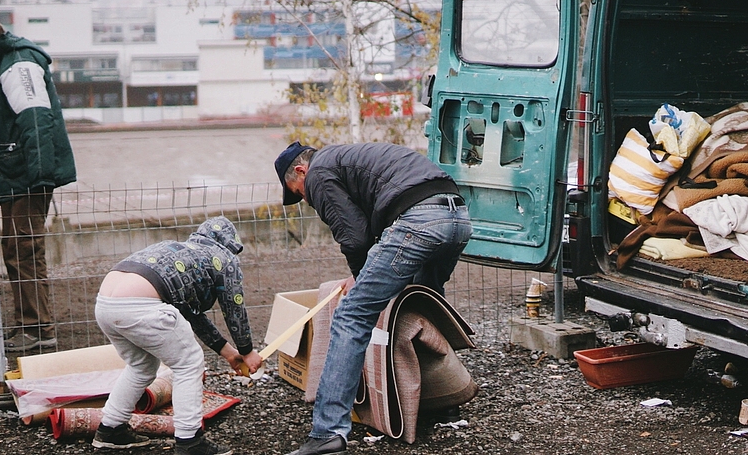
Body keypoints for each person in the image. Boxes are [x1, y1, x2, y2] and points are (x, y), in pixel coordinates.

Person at [275, 141, 471, 455]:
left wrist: (360, 277)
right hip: (457, 217)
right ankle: (442, 402)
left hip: (419, 220)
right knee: (421, 306)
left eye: (298, 191)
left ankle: (327, 431)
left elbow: (355, 237)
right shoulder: (348, 158)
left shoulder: (318, 172)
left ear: (301, 171)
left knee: (351, 315)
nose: (304, 197)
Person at [92, 216, 262, 455]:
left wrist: (229, 353)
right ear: (230, 243)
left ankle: (110, 429)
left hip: (106, 304)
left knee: (141, 366)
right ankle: (190, 441)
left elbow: (192, 315)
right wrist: (247, 351)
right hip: (141, 304)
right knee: (189, 364)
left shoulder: (183, 253)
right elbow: (234, 309)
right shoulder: (224, 259)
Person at [0, 14, 75, 353]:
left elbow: (35, 119)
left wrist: (40, 176)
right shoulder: (1, 62)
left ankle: (39, 329)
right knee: (15, 247)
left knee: (24, 247)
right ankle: (30, 324)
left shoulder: (17, 65)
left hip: (26, 173)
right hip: (14, 171)